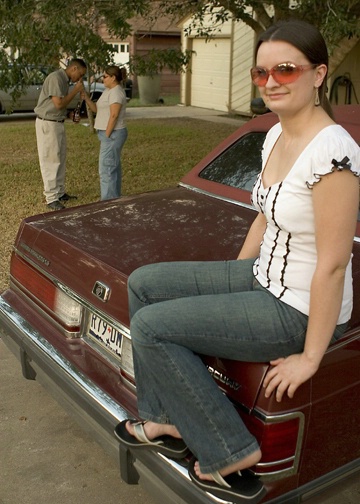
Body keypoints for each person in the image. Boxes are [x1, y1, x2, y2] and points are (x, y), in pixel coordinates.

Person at [114, 20, 360, 503]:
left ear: (318, 75)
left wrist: (310, 357)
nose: (272, 82)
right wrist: (229, 285)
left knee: (153, 327)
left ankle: (228, 452)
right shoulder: (274, 136)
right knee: (144, 284)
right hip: (261, 277)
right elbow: (264, 218)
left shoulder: (334, 153)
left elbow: (333, 264)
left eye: (286, 70)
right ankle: (165, 418)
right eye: (261, 72)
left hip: (300, 309)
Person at [35, 58, 87, 210]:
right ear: (74, 69)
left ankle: (60, 192)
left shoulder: (64, 81)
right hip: (48, 123)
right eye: (80, 74)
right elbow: (58, 104)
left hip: (57, 122)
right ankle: (51, 198)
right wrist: (75, 91)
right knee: (50, 160)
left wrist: (70, 114)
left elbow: (60, 106)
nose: (80, 78)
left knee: (60, 157)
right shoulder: (56, 78)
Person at [82, 65, 128, 200]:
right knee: (112, 166)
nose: (103, 79)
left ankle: (108, 201)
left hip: (113, 134)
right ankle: (114, 198)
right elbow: (97, 109)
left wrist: (107, 134)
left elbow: (114, 115)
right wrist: (86, 99)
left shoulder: (116, 92)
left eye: (105, 76)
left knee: (106, 169)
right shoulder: (108, 90)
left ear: (113, 78)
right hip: (107, 134)